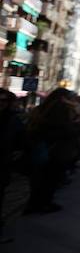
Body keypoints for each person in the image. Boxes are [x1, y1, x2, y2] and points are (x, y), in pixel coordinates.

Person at [24, 88, 80, 214]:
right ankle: (43, 204)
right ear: (64, 98)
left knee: (40, 180)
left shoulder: (43, 108)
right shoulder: (59, 110)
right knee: (49, 180)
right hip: (55, 151)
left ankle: (36, 203)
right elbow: (65, 130)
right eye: (70, 97)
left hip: (44, 149)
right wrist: (76, 127)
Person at [0, 89, 25, 242]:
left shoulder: (13, 120)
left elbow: (21, 140)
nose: (1, 104)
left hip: (3, 164)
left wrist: (18, 151)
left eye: (4, 101)